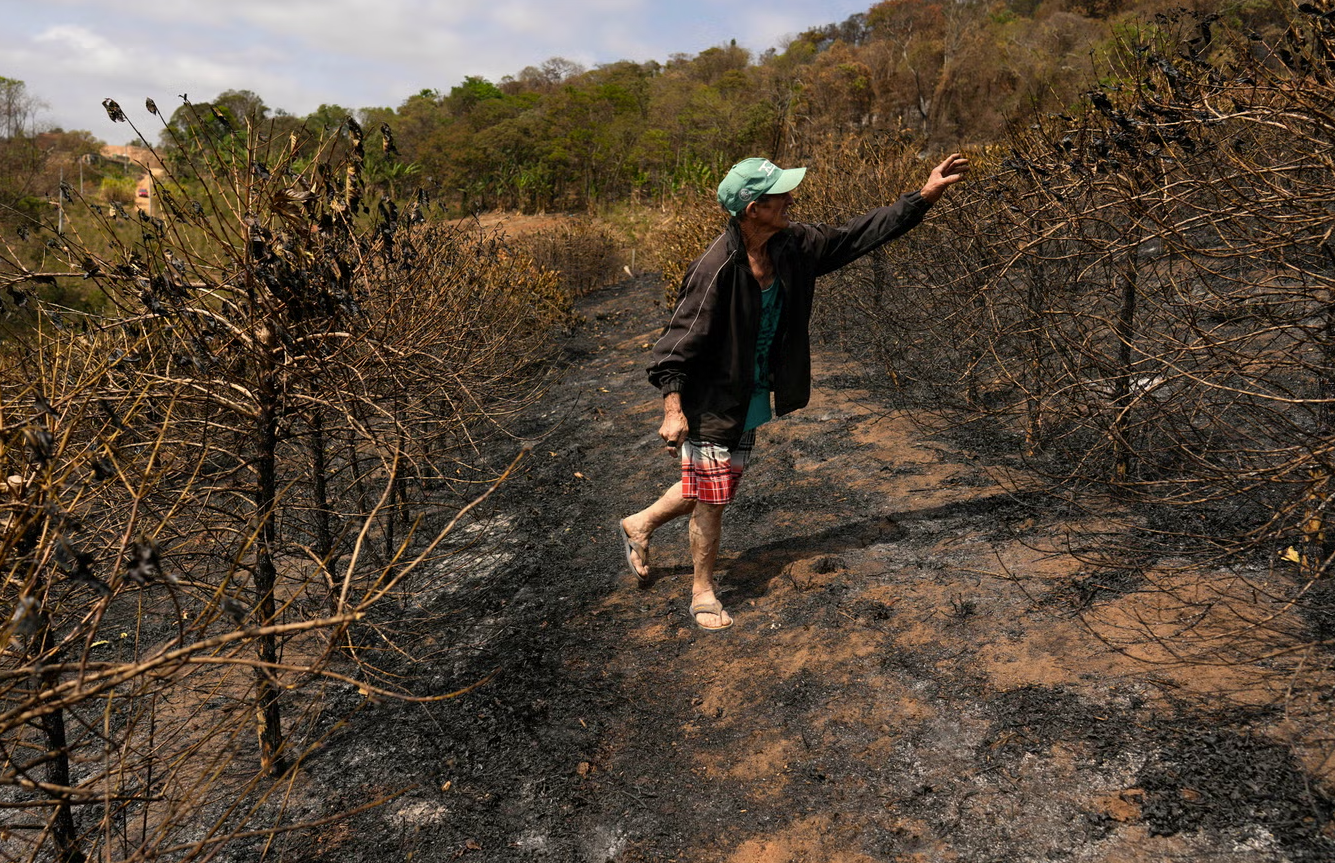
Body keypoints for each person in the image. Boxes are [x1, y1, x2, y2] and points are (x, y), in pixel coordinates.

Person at [618, 153, 969, 631]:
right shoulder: (716, 269)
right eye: (779, 195)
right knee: (713, 497)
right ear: (752, 209)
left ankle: (639, 524)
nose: (790, 200)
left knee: (717, 482)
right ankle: (702, 591)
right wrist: (673, 409)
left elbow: (856, 236)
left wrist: (922, 197)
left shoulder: (793, 245)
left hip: (752, 390)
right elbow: (675, 346)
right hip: (711, 397)